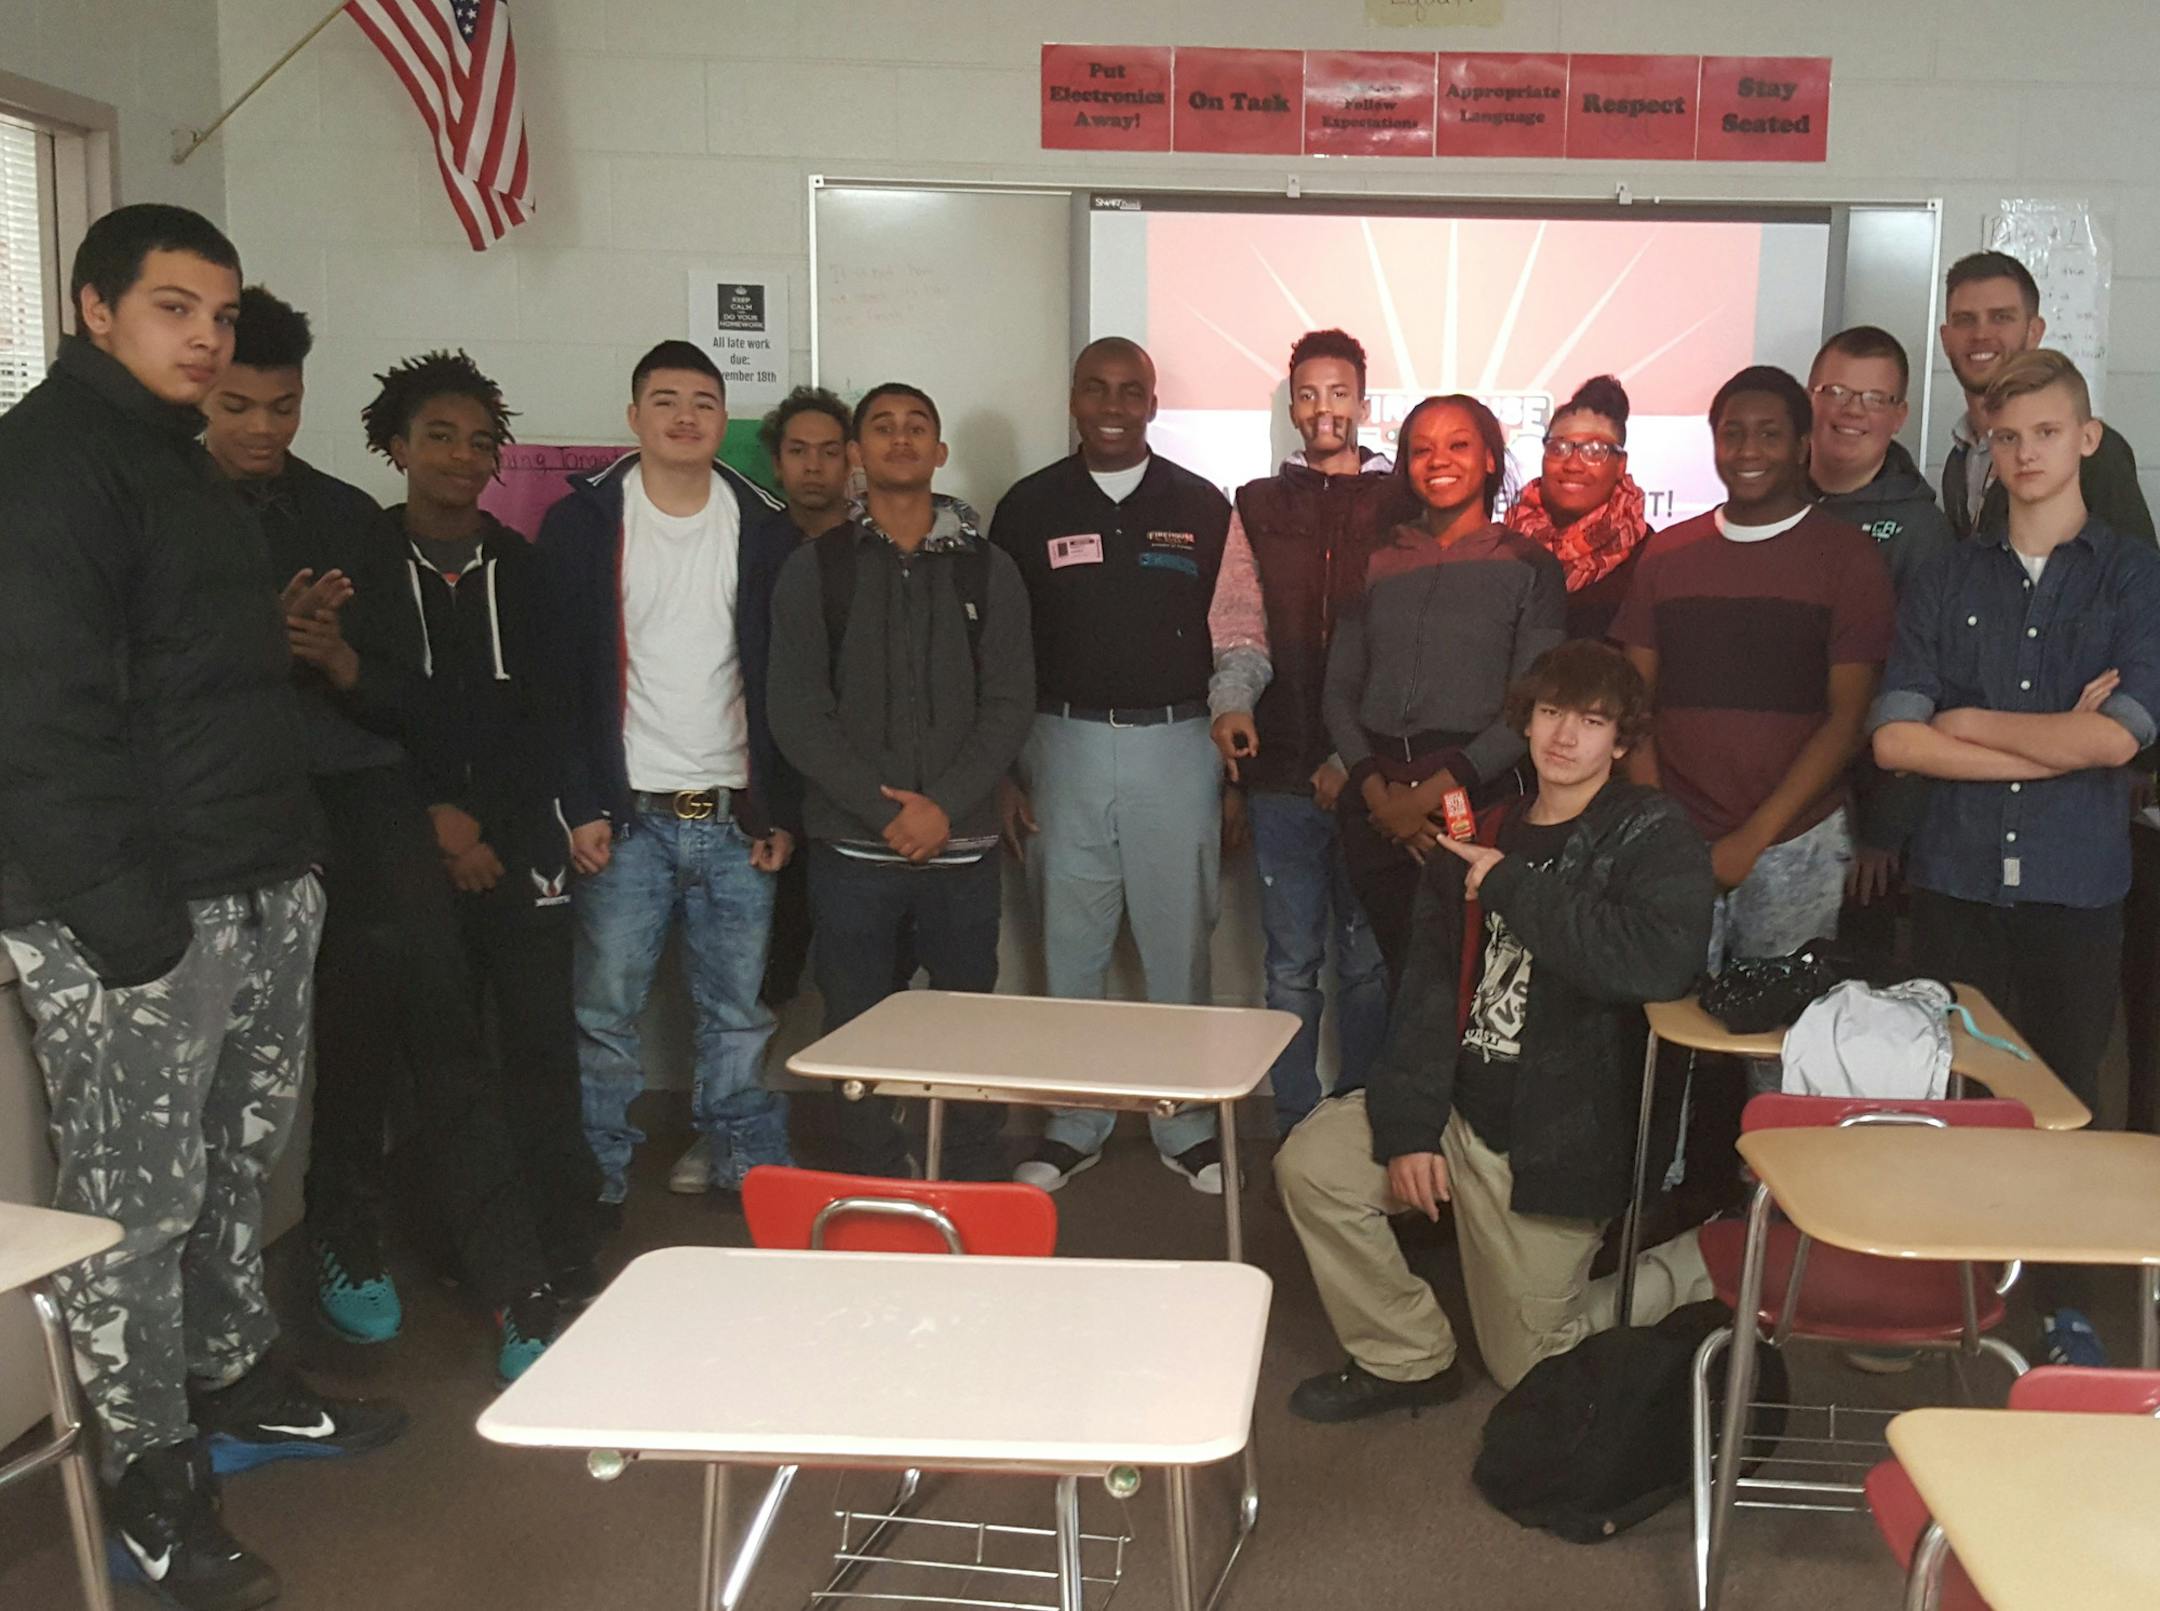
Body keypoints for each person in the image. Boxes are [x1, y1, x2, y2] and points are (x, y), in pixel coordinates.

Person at [0, 204, 402, 1611]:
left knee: (239, 1167)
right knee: (135, 1211)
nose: (206, 337)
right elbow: (36, 723)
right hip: (135, 916)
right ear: (95, 308)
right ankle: (151, 1488)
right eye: (175, 308)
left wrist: (288, 872)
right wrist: (133, 931)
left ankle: (239, 1380)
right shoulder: (48, 467)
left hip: (251, 878)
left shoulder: (178, 462)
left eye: (221, 315)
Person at [1276, 641, 1716, 1418]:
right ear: (1526, 721)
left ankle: (1706, 1260)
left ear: (1621, 739)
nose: (1564, 736)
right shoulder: (1484, 828)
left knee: (1530, 1366)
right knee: (1311, 1162)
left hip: (1557, 1140)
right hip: (1458, 1111)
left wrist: (1510, 881)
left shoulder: (1651, 831)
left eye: (1591, 720)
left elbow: (1656, 962)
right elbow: (1425, 990)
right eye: (1550, 713)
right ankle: (1407, 1354)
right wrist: (1411, 1128)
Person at [1871, 348, 2160, 1366]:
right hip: (1954, 880)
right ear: (1986, 448)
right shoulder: (1948, 574)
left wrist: (1976, 723)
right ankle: (1950, 1287)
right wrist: (2052, 747)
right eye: (2007, 436)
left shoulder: (2133, 572)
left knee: (2068, 1093)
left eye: (2045, 432)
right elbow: (1897, 739)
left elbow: (2120, 738)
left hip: (2075, 888)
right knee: (1955, 1091)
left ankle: (2063, 1303)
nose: (2025, 452)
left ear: (2087, 439)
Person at [202, 286, 453, 1353]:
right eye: (238, 407)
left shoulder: (345, 514)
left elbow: (407, 691)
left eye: (284, 407)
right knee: (222, 1067)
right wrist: (257, 640)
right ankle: (217, 1299)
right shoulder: (155, 506)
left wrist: (337, 658)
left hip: (347, 796)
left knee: (369, 1009)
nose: (263, 430)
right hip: (216, 812)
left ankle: (346, 1231)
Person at [360, 348, 608, 1375]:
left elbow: (557, 712)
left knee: (544, 1044)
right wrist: (435, 825)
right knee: (440, 1059)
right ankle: (467, 1249)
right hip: (411, 851)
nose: (464, 457)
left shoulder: (529, 567)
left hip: (524, 847)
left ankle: (559, 1244)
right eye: (440, 438)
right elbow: (353, 709)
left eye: (481, 441)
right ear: (395, 447)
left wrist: (496, 833)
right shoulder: (362, 563)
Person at [537, 341, 799, 1208]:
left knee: (739, 1014)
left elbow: (784, 685)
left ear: (724, 420)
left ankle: (746, 1168)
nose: (684, 416)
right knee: (604, 1013)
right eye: (664, 400)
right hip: (628, 813)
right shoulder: (583, 523)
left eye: (702, 402)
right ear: (634, 416)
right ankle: (595, 1176)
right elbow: (562, 680)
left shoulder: (764, 525)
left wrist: (777, 810)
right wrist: (579, 804)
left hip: (733, 815)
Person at [768, 383, 1036, 1178]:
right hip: (855, 846)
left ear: (940, 451)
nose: (899, 439)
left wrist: (943, 806)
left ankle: (967, 1170)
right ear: (856, 453)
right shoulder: (815, 569)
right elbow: (797, 709)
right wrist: (882, 809)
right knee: (854, 1020)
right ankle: (870, 1177)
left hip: (961, 846)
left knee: (963, 1017)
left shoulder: (991, 569)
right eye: (880, 428)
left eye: (916, 426)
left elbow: (1010, 700)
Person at [993, 338, 1239, 1194]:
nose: (1111, 404)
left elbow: (1237, 636)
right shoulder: (1028, 507)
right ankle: (1074, 1122)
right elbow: (1002, 650)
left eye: (1129, 391)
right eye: (1095, 388)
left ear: (1153, 403)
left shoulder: (1202, 505)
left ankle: (1188, 1124)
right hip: (1057, 743)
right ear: (1071, 397)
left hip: (1178, 742)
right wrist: (1004, 768)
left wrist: (1231, 772)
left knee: (1179, 947)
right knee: (1068, 946)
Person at [1614, 366, 1893, 970]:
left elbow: (1847, 721)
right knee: (1671, 1028)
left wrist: (1754, 837)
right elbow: (1632, 706)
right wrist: (1664, 831)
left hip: (1797, 841)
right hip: (1676, 840)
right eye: (1732, 433)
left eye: (1769, 435)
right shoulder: (1667, 554)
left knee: (1776, 1044)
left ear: (1801, 447)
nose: (1747, 451)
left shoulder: (1848, 558)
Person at [1207, 329, 1396, 1136]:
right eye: (1309, 394)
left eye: (1339, 392)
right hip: (1279, 774)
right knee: (1289, 968)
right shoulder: (1254, 501)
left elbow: (1404, 646)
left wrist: (1348, 757)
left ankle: (1356, 1126)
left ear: (1363, 400)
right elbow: (1238, 623)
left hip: (1373, 779)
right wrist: (1233, 700)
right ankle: (1292, 1126)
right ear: (1293, 404)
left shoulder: (1402, 502)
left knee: (1367, 964)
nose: (1324, 409)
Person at [1324, 393, 1566, 985]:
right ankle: (1399, 1082)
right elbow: (1338, 691)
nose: (1439, 460)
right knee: (1401, 972)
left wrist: (1425, 798)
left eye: (1458, 444)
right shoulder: (1376, 560)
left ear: (1489, 459)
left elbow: (1530, 706)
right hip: (1375, 805)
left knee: (1466, 980)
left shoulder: (1530, 564)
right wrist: (1384, 802)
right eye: (1421, 449)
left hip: (1473, 802)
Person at [1806, 326, 1956, 959]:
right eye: (1837, 390)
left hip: (1857, 816)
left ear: (1899, 415)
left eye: (1873, 398)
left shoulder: (1922, 530)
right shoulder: (1764, 494)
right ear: (1810, 397)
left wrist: (1884, 831)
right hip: (1748, 797)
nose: (1851, 411)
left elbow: (1923, 684)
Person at [758, 383, 862, 1007]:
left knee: (864, 968)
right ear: (777, 461)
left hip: (858, 791)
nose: (813, 466)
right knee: (765, 970)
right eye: (798, 450)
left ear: (851, 458)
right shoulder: (749, 546)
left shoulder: (878, 548)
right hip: (770, 787)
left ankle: (869, 1103)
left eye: (828, 451)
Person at [1937, 250, 2153, 543]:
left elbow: (2137, 576)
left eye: (2001, 317)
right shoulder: (1960, 457)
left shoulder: (2088, 451)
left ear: (2034, 331)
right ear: (1945, 338)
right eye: (1965, 320)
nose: (1981, 334)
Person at [1502, 374, 1656, 642]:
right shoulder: (1504, 546)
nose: (1573, 464)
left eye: (1595, 451)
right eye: (1558, 448)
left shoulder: (1649, 559)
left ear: (1621, 465)